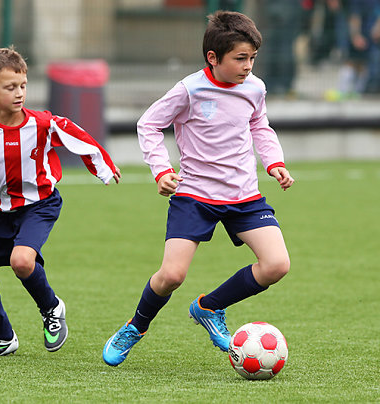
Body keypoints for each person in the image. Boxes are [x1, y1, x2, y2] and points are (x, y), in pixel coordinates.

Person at [103, 10, 294, 367]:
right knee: (172, 275)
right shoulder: (189, 89)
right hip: (195, 196)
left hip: (244, 195)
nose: (248, 66)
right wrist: (161, 170)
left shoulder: (255, 88)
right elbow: (148, 124)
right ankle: (135, 326)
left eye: (252, 58)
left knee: (276, 264)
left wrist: (275, 162)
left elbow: (259, 126)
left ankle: (209, 306)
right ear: (213, 57)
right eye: (240, 58)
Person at [0, 47, 121, 357]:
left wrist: (103, 166)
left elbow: (78, 136)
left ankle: (52, 309)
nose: (19, 93)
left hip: (40, 205)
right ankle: (3, 337)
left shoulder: (41, 123)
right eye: (10, 87)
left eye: (23, 85)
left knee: (22, 261)